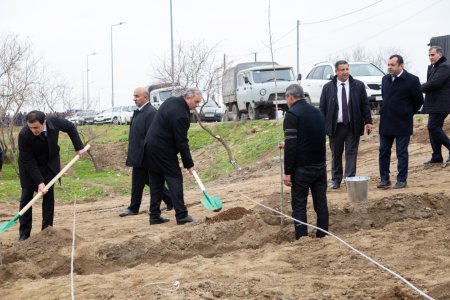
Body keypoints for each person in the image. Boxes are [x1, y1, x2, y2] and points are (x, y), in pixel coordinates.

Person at [18, 111, 86, 241]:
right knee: (26, 197)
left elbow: (70, 127)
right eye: (31, 127)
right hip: (29, 167)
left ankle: (46, 232)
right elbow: (28, 161)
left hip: (50, 164)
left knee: (49, 197)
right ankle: (24, 234)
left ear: (44, 122)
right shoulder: (23, 134)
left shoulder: (54, 121)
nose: (33, 130)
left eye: (36, 127)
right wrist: (39, 182)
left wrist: (79, 147)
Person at [144, 87, 202, 225]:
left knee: (156, 183)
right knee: (175, 179)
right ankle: (181, 215)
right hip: (163, 150)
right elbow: (182, 142)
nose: (197, 105)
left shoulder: (171, 101)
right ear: (188, 98)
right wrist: (189, 164)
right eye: (196, 101)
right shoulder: (182, 114)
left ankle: (154, 216)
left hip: (149, 146)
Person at [282, 83, 328, 239]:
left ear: (290, 97)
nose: (287, 102)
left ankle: (302, 238)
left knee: (299, 205)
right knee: (321, 203)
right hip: (320, 166)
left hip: (302, 169)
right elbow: (312, 137)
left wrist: (287, 172)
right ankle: (323, 233)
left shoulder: (292, 114)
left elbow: (291, 147)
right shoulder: (318, 113)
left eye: (286, 99)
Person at [319, 60, 373, 189]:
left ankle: (349, 179)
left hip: (352, 125)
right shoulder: (328, 87)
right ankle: (336, 180)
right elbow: (322, 108)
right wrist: (321, 126)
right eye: (342, 70)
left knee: (351, 153)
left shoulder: (358, 85)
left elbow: (364, 105)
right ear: (336, 72)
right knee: (336, 154)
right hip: (335, 127)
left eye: (347, 69)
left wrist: (368, 121)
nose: (345, 72)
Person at [119, 87, 173, 217]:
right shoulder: (139, 112)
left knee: (139, 182)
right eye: (134, 96)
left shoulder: (151, 113)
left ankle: (133, 208)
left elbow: (152, 136)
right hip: (137, 155)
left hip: (146, 156)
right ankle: (171, 200)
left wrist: (149, 155)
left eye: (137, 96)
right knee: (146, 181)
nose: (134, 99)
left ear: (145, 97)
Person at [377, 55, 424, 189]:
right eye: (388, 65)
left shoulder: (412, 80)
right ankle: (384, 179)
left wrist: (408, 112)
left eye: (392, 65)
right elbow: (386, 98)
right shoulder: (385, 79)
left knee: (401, 152)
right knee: (383, 151)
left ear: (401, 66)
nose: (389, 67)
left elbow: (419, 101)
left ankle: (402, 179)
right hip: (386, 122)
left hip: (403, 122)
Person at [421, 46, 450, 164]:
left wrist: (417, 88)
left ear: (440, 54)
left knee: (433, 127)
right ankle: (437, 157)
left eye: (432, 55)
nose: (430, 57)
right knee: (432, 129)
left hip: (442, 104)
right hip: (435, 103)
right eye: (429, 55)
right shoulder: (435, 67)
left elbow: (434, 84)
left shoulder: (445, 67)